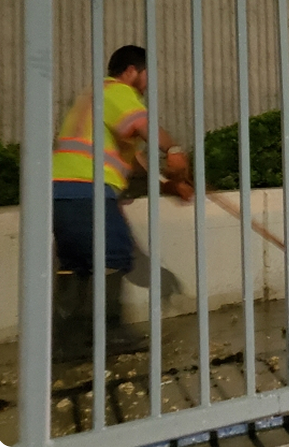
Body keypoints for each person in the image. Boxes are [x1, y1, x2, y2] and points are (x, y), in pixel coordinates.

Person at [50, 45, 190, 360]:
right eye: (145, 75)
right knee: (113, 254)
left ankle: (67, 342)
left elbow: (135, 160)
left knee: (77, 263)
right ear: (131, 71)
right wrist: (174, 149)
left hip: (62, 192)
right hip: (88, 189)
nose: (146, 83)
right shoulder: (116, 91)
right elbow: (145, 128)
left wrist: (167, 185)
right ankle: (111, 335)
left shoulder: (92, 98)